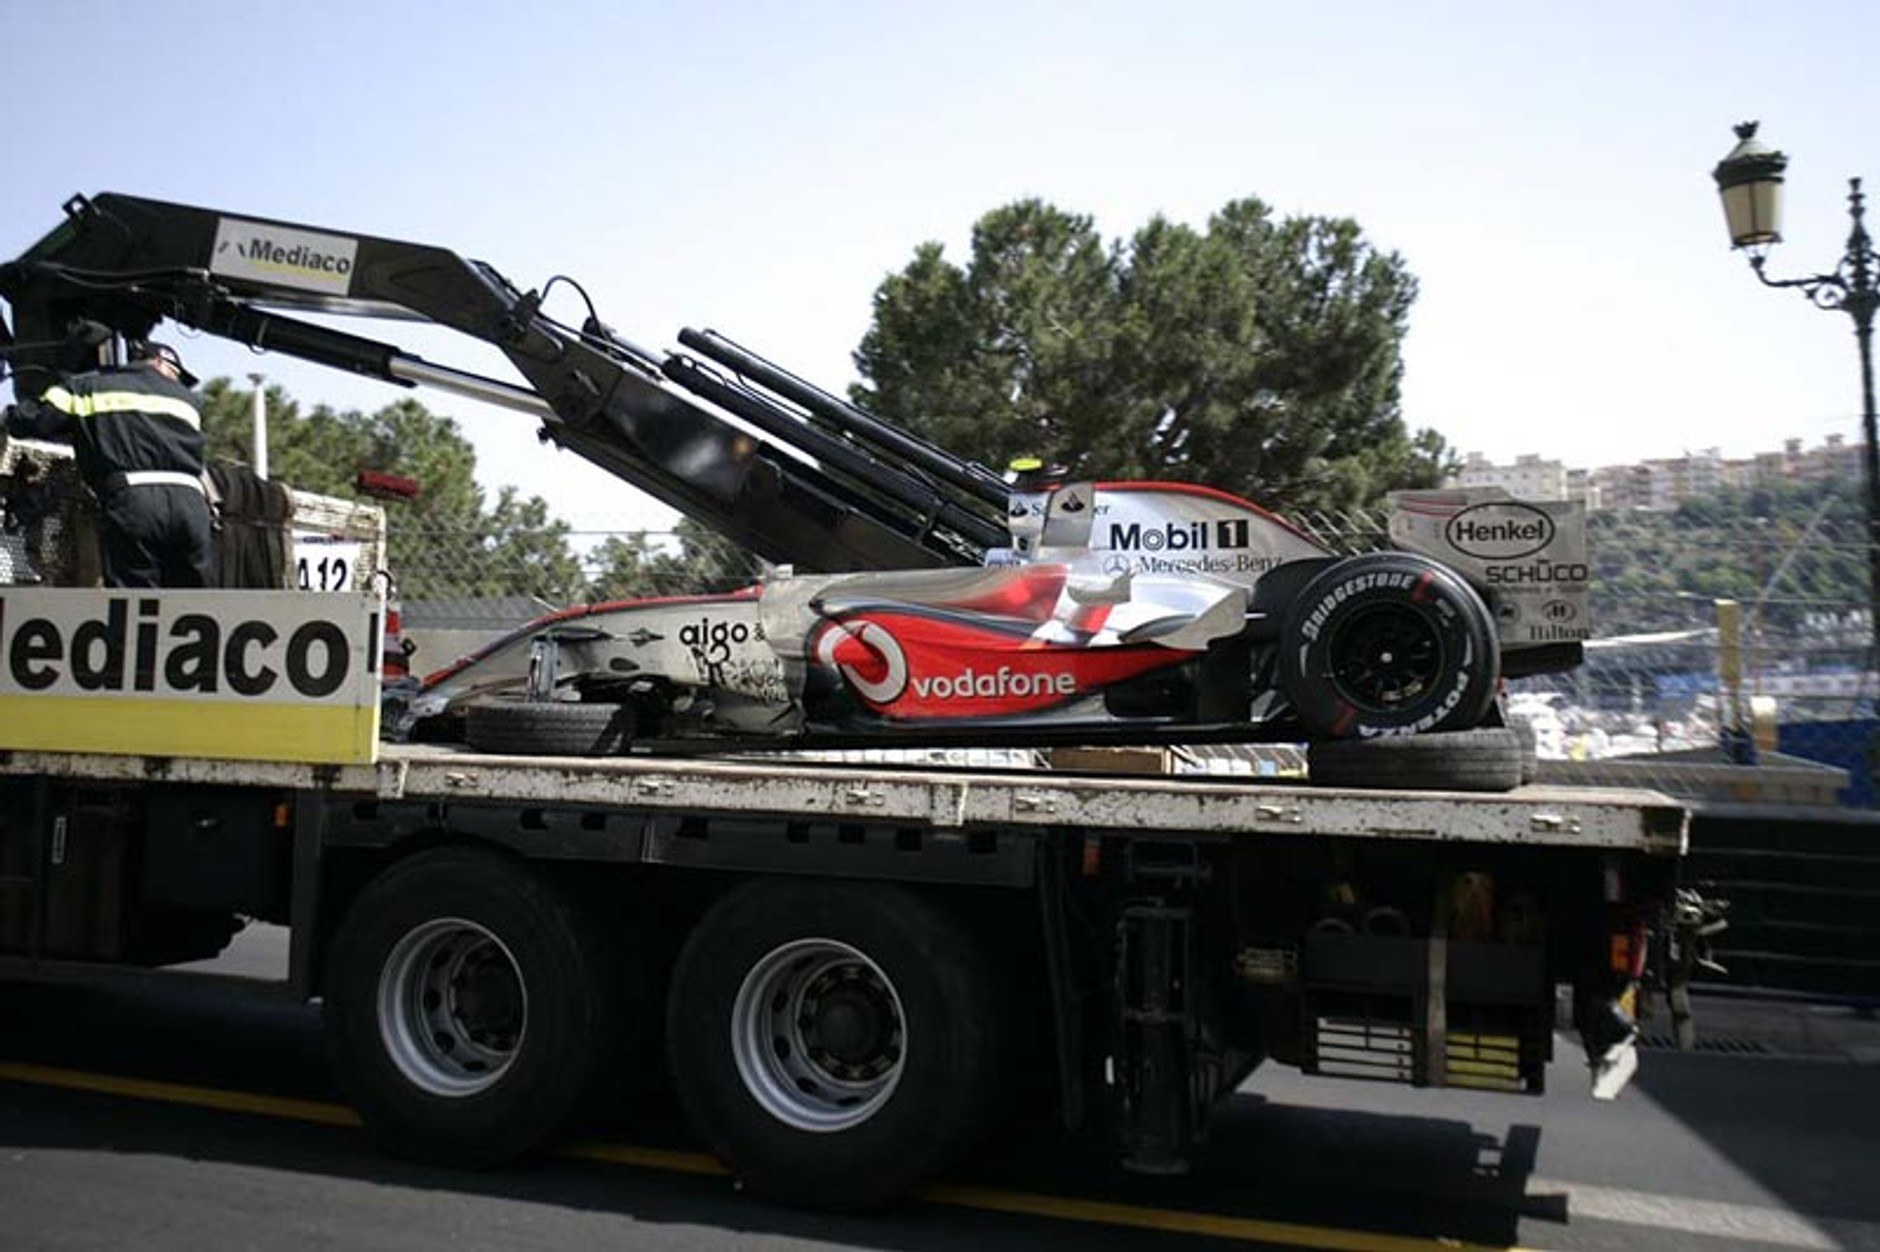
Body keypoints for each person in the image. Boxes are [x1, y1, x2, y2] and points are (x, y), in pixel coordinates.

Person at [4, 339, 215, 587]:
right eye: (176, 373)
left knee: (135, 602)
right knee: (193, 600)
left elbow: (36, 421)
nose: (175, 382)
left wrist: (9, 416)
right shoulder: (189, 401)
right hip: (191, 505)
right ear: (159, 362)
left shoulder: (86, 386)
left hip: (135, 502)